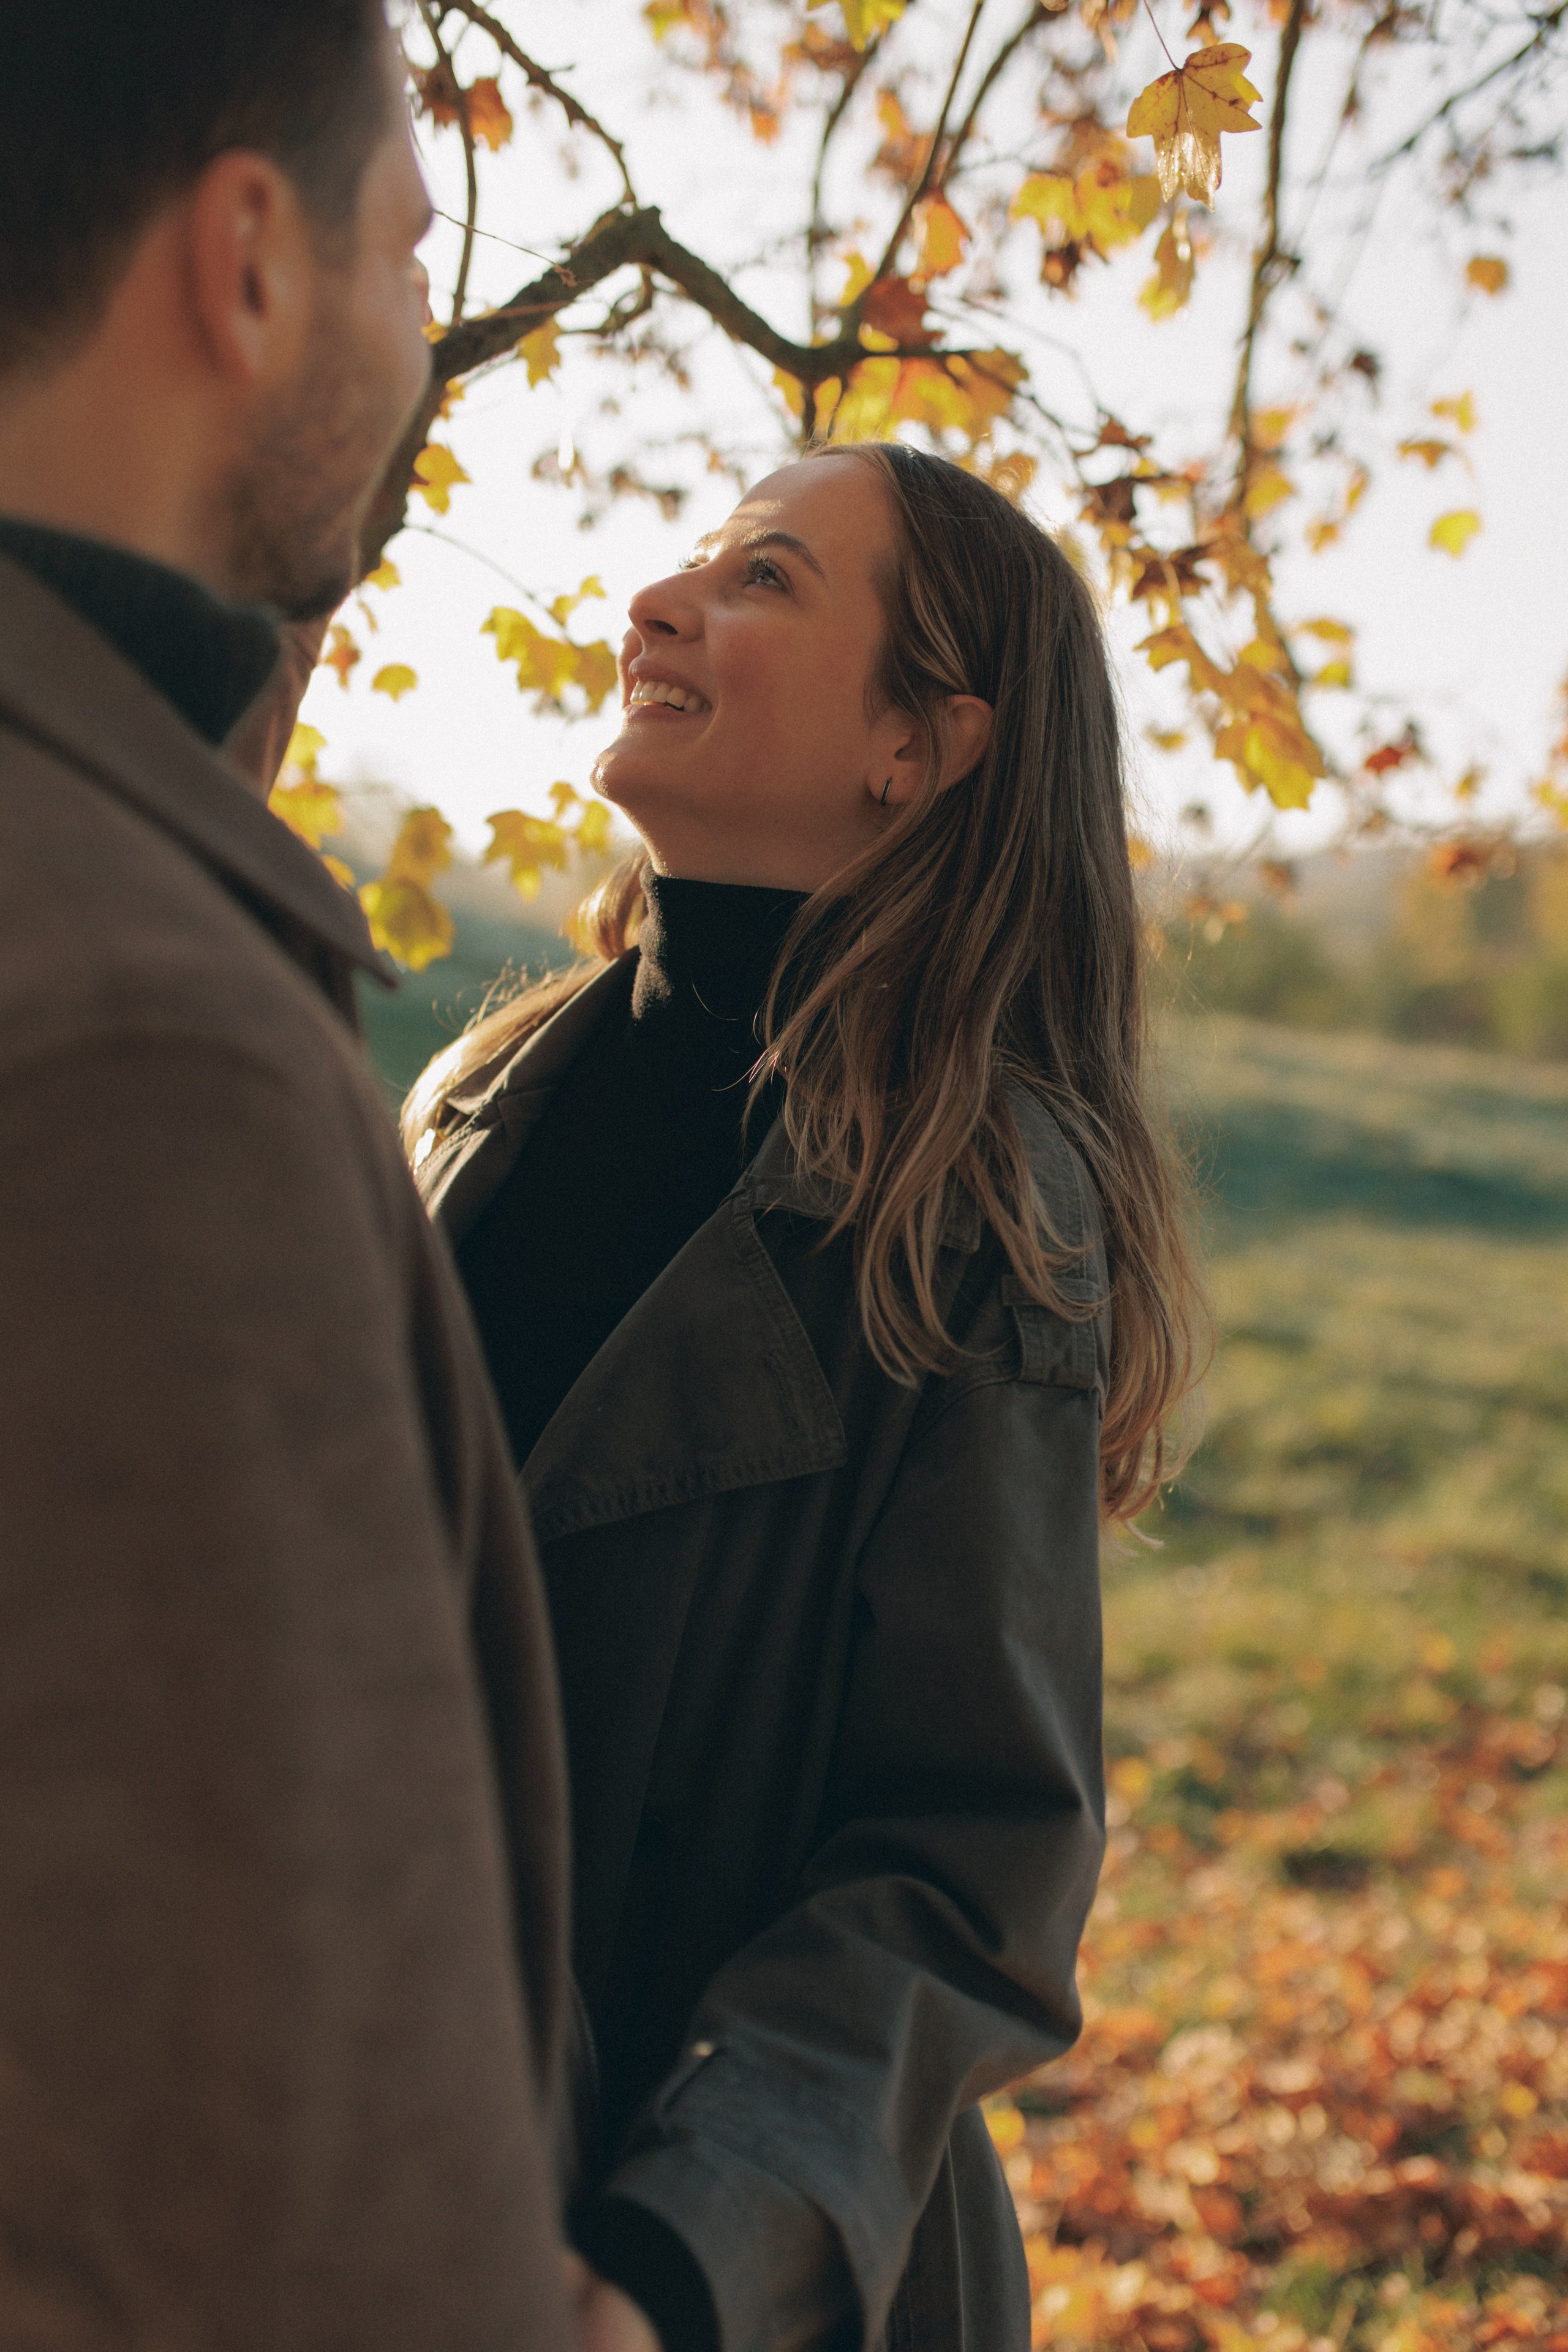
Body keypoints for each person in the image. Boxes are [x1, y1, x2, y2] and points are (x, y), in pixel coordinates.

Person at [405, 442, 1207, 2351]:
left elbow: (969, 1865)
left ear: (917, 749)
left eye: (762, 578)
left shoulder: (979, 1207)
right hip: (362, 2149)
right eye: (691, 558)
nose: (660, 605)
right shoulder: (478, 1097)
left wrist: (675, 2266)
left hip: (715, 2263)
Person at [0, 7, 620, 2344]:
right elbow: (307, 2206)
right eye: (406, 249)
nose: (420, 325)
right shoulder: (143, 1038)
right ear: (248, 263)